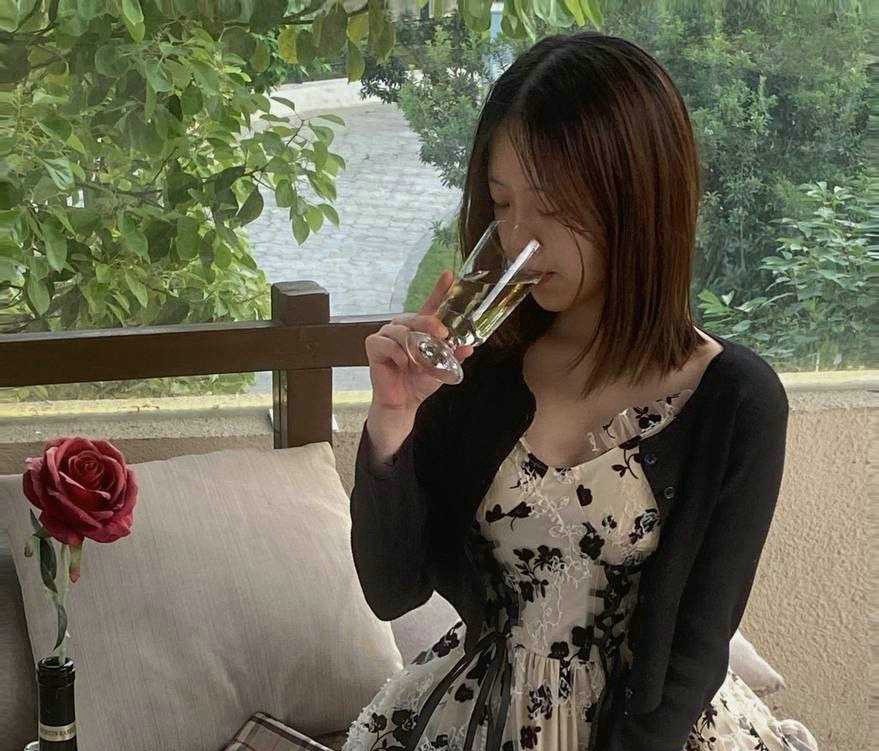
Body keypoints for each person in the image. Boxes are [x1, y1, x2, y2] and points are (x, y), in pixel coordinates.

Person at [343, 30, 798, 751]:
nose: (519, 237)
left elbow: (693, 650)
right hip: (478, 713)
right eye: (502, 202)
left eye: (553, 207)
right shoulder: (476, 369)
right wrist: (393, 421)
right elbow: (391, 588)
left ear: (638, 200)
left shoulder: (734, 399)